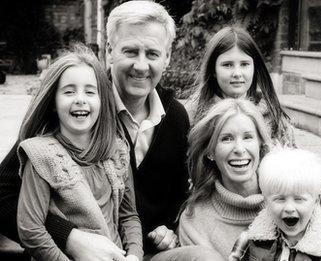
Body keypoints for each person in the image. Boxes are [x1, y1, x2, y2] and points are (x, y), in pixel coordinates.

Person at [0, 1, 191, 260]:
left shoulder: (176, 117)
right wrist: (70, 237)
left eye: (153, 54)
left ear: (167, 57)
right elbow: (3, 196)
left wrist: (169, 228)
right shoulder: (76, 111)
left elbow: (178, 196)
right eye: (130, 51)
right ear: (110, 52)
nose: (141, 65)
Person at [16, 45, 142, 260]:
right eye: (69, 91)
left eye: (90, 91)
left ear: (102, 101)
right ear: (54, 103)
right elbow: (31, 229)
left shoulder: (117, 151)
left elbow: (129, 216)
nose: (80, 99)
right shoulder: (40, 154)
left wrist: (134, 255)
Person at [178, 98, 273, 260]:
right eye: (226, 138)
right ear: (210, 152)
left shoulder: (287, 201)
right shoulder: (194, 221)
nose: (239, 149)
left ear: (260, 144)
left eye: (248, 137)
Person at [229, 147, 321, 261]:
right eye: (280, 199)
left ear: (316, 200)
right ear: (266, 201)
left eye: (299, 199)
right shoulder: (251, 238)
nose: (289, 208)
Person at [185, 26, 295, 146]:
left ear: (254, 67)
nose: (237, 73)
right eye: (227, 65)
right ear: (213, 71)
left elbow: (291, 160)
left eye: (244, 64)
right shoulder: (193, 115)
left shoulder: (272, 115)